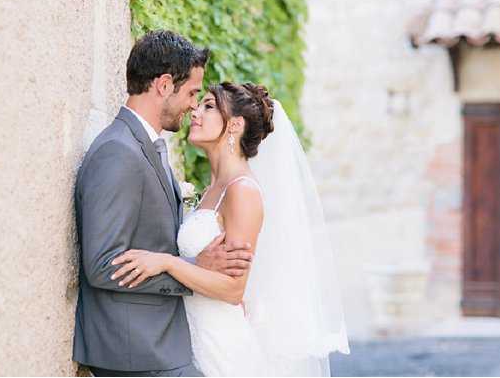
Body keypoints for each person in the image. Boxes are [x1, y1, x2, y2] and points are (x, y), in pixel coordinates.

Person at [112, 82, 350, 376]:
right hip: (191, 338)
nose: (196, 112)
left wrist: (167, 262)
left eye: (209, 106)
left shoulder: (242, 191)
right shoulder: (214, 188)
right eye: (200, 105)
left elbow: (233, 289)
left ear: (235, 125)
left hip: (220, 346)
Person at [72, 31, 253, 377]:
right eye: (191, 93)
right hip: (137, 350)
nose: (192, 106)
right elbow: (102, 265)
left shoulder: (145, 146)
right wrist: (192, 269)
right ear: (164, 85)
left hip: (163, 343)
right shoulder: (118, 153)